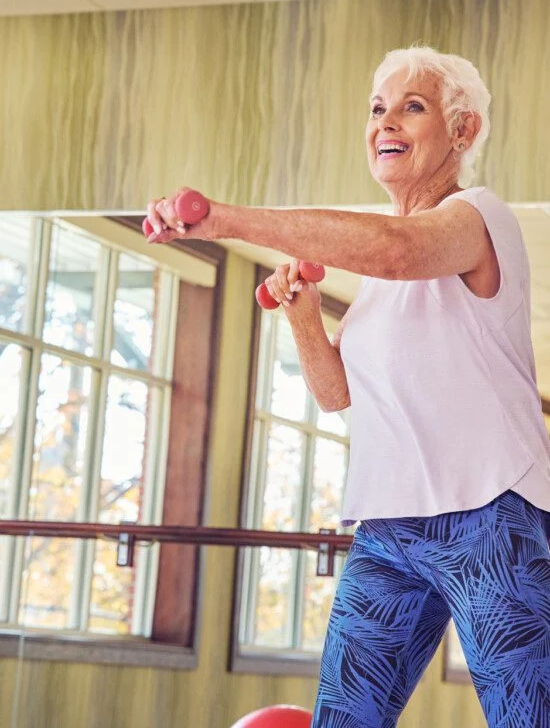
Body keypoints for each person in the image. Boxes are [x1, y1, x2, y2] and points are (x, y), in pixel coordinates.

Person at [147, 46, 550, 727]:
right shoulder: (376, 285)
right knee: (343, 720)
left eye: (411, 107)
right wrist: (303, 315)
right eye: (377, 108)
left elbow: (398, 252)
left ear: (463, 131)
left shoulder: (478, 218)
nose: (386, 121)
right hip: (390, 529)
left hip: (492, 515)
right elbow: (338, 394)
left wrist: (227, 221)